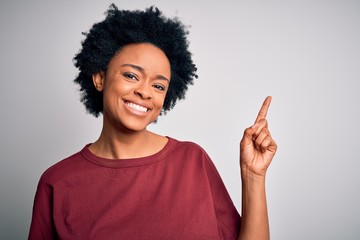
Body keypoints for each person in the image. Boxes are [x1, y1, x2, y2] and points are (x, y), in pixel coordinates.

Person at [29, 4, 277, 240]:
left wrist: (253, 175)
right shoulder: (57, 182)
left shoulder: (192, 161)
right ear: (99, 78)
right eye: (131, 75)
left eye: (158, 86)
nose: (145, 92)